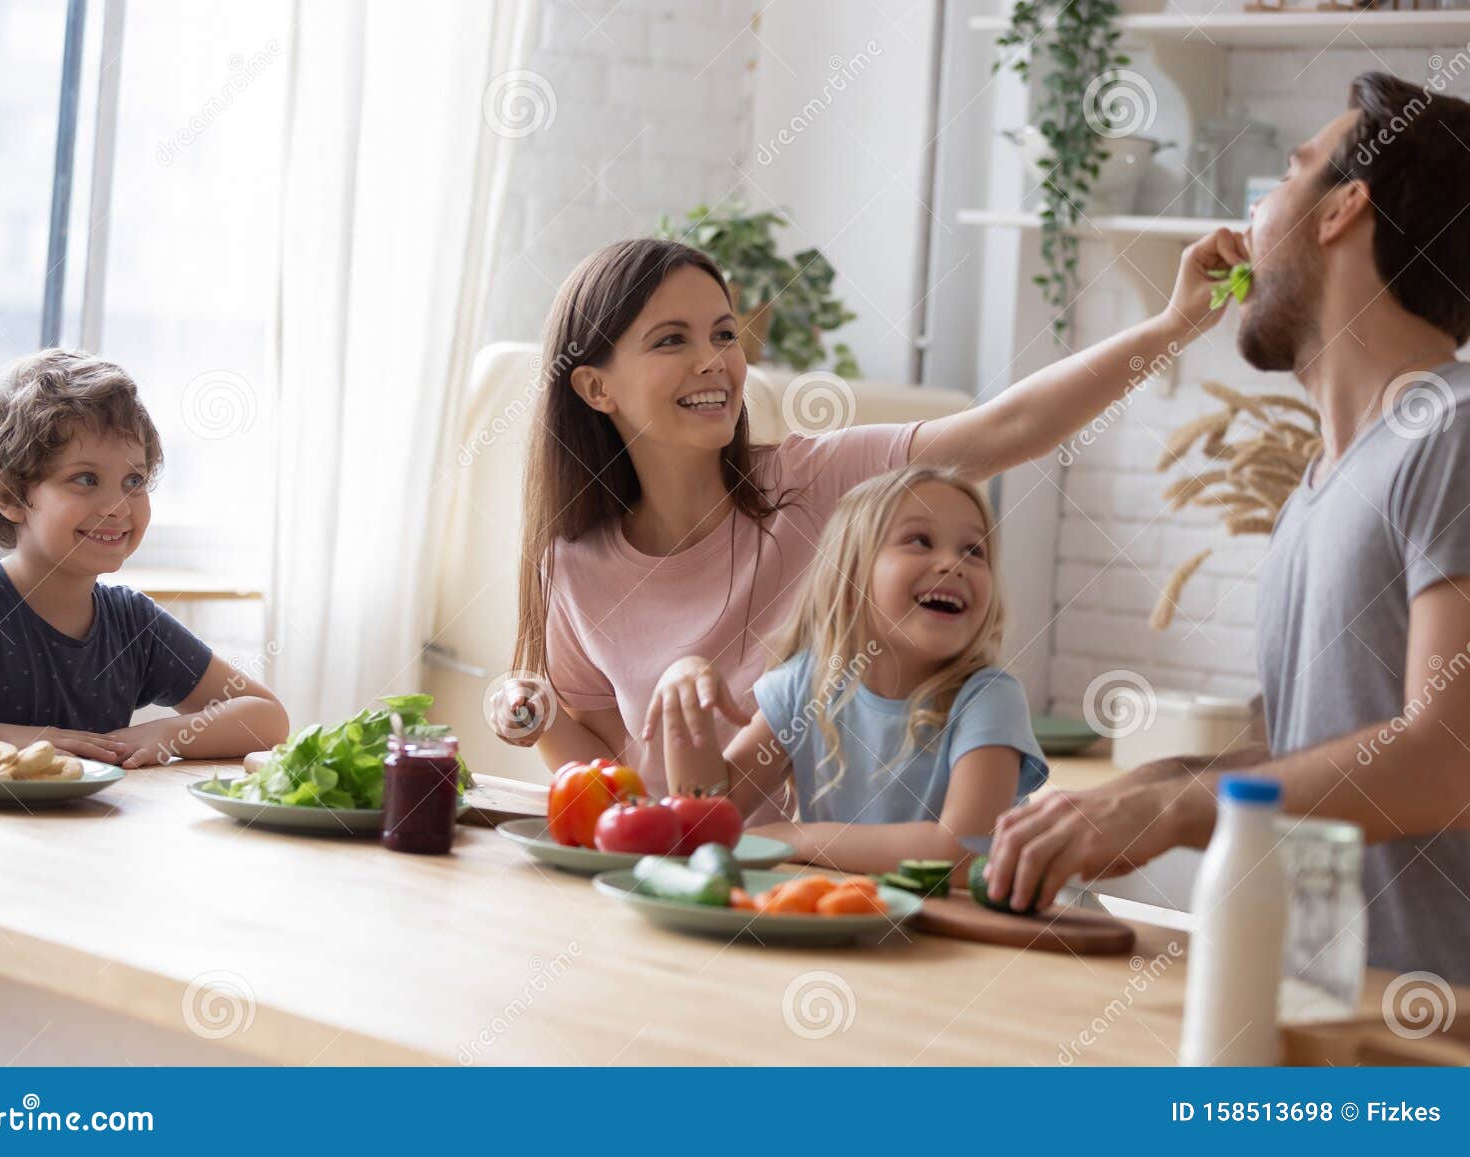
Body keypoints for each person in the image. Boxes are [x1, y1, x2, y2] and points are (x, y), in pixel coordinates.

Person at [985, 73, 1470, 985]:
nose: (1250, 219)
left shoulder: (1454, 431)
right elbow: (1317, 752)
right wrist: (1149, 787)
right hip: (1322, 1010)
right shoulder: (1325, 485)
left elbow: (1447, 756)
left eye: (1287, 175)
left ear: (1343, 210)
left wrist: (1177, 812)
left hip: (1435, 1031)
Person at [497, 231, 1243, 818]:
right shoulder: (574, 565)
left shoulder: (817, 480)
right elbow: (592, 758)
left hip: (801, 869)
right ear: (597, 387)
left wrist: (1176, 323)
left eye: (724, 334)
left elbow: (1009, 427)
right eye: (672, 340)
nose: (715, 362)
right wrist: (533, 716)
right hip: (663, 866)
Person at [0, 349, 289, 768]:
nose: (118, 505)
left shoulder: (134, 624)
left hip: (82, 832)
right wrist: (2, 737)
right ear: (9, 496)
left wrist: (164, 733)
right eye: (86, 479)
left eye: (134, 480)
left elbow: (267, 718)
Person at [662, 465, 1047, 875]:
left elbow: (961, 851)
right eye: (920, 541)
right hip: (841, 921)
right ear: (849, 585)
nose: (953, 564)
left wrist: (801, 837)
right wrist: (681, 698)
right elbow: (708, 817)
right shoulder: (806, 685)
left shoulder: (988, 699)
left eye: (974, 550)